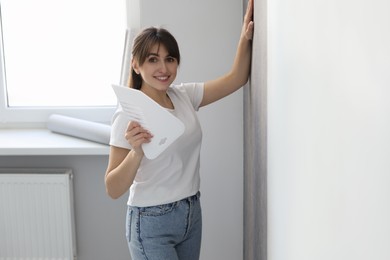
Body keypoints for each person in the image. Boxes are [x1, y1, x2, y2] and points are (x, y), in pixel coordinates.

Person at [105, 0, 254, 259]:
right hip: (150, 221)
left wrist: (245, 35)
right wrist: (137, 152)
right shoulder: (127, 114)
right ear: (136, 65)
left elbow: (236, 78)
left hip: (190, 212)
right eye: (153, 60)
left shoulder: (184, 95)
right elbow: (113, 188)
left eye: (169, 59)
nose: (163, 69)